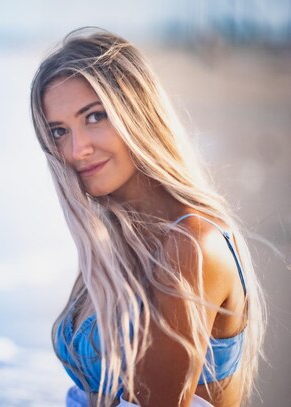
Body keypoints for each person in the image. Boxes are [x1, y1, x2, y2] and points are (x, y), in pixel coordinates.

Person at [29, 27, 266, 407]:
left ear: (137, 110)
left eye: (94, 116)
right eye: (59, 131)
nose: (77, 149)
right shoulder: (115, 237)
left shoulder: (193, 243)